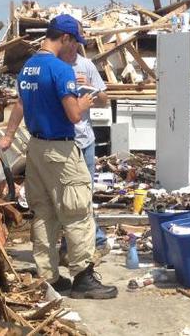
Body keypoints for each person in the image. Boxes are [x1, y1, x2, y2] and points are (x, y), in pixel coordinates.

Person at [0, 14, 117, 299]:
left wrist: (9, 135)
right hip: (60, 150)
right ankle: (83, 278)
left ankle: (49, 276)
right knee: (77, 212)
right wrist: (85, 100)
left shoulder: (29, 68)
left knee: (44, 213)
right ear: (64, 38)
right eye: (75, 43)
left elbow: (20, 105)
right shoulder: (61, 69)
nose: (76, 49)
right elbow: (75, 115)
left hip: (36, 149)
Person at [58, 46, 110, 261]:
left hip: (84, 140)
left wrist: (88, 94)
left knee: (83, 195)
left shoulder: (86, 65)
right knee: (65, 197)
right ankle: (70, 244)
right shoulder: (55, 66)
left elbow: (105, 99)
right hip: (62, 140)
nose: (72, 51)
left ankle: (95, 240)